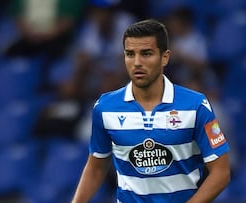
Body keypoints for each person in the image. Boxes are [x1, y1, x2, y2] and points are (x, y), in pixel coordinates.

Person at [72, 19, 231, 203]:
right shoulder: (105, 107)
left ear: (165, 57)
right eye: (130, 54)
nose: (137, 62)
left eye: (146, 54)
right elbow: (96, 168)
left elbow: (221, 171)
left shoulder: (195, 105)